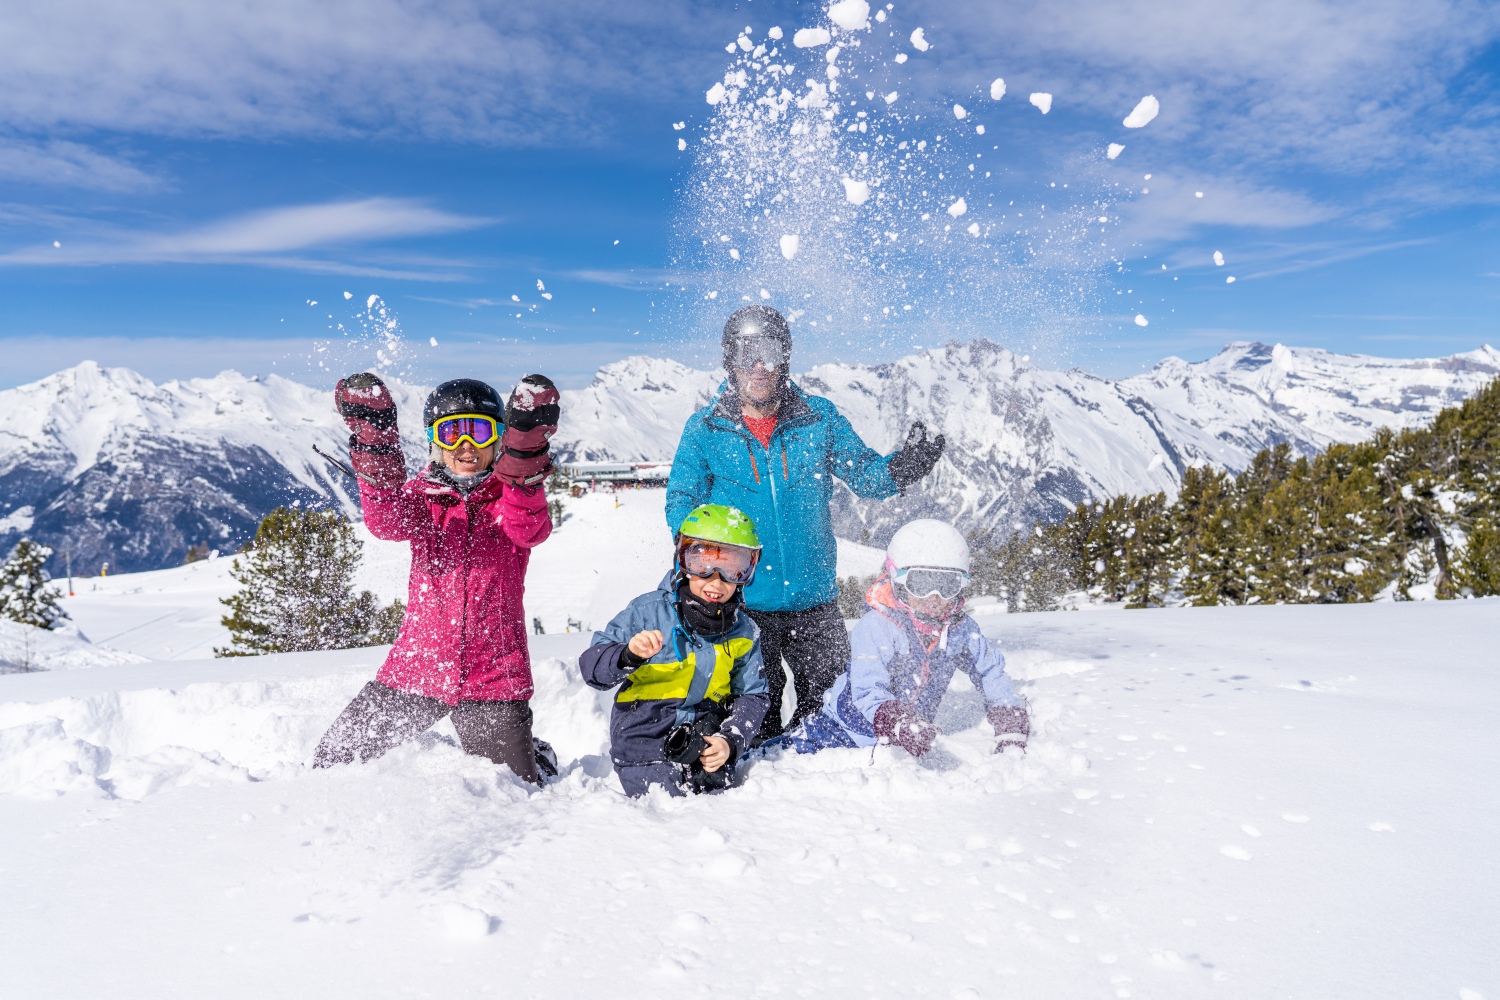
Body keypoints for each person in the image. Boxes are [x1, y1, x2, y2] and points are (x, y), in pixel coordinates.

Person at [666, 305, 946, 743]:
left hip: (815, 603)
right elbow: (682, 502)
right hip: (743, 607)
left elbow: (865, 474)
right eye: (746, 353)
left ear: (786, 358)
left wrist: (901, 470)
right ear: (729, 362)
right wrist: (698, 560)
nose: (759, 365)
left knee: (833, 720)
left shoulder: (818, 419)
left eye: (770, 351)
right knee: (753, 727)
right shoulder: (705, 429)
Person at [312, 371, 562, 784]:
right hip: (419, 667)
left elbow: (529, 530)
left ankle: (536, 754)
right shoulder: (422, 497)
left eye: (480, 432)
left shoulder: (510, 498)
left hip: (493, 676)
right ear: (434, 439)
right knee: (332, 761)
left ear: (500, 439)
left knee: (517, 791)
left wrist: (524, 462)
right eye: (452, 433)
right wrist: (377, 446)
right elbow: (386, 521)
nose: (466, 446)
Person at [771, 519, 1030, 758]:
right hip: (842, 731)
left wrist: (1007, 714)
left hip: (905, 737)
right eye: (922, 582)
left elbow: (989, 670)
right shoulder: (877, 626)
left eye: (947, 584)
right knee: (771, 760)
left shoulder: (959, 629)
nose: (934, 596)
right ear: (899, 579)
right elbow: (867, 689)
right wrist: (898, 722)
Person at [579, 504, 770, 797]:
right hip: (644, 742)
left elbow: (753, 695)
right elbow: (593, 669)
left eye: (733, 568)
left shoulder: (743, 631)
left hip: (703, 742)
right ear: (683, 560)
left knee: (726, 809)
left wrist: (730, 740)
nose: (716, 581)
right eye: (702, 564)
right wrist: (626, 655)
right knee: (670, 811)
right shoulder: (647, 614)